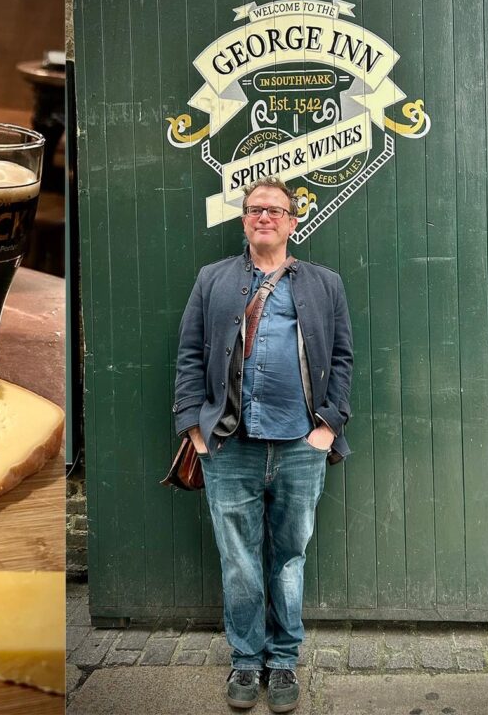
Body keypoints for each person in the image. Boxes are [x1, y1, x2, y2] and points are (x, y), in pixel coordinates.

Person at [174, 176, 353, 713]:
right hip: (230, 445)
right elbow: (187, 355)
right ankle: (246, 661)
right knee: (239, 562)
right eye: (255, 210)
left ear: (294, 221)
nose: (264, 218)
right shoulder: (214, 280)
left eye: (275, 210)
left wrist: (329, 426)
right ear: (244, 220)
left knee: (289, 557)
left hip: (301, 444)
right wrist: (194, 429)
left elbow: (342, 360)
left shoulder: (325, 284)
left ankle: (283, 662)